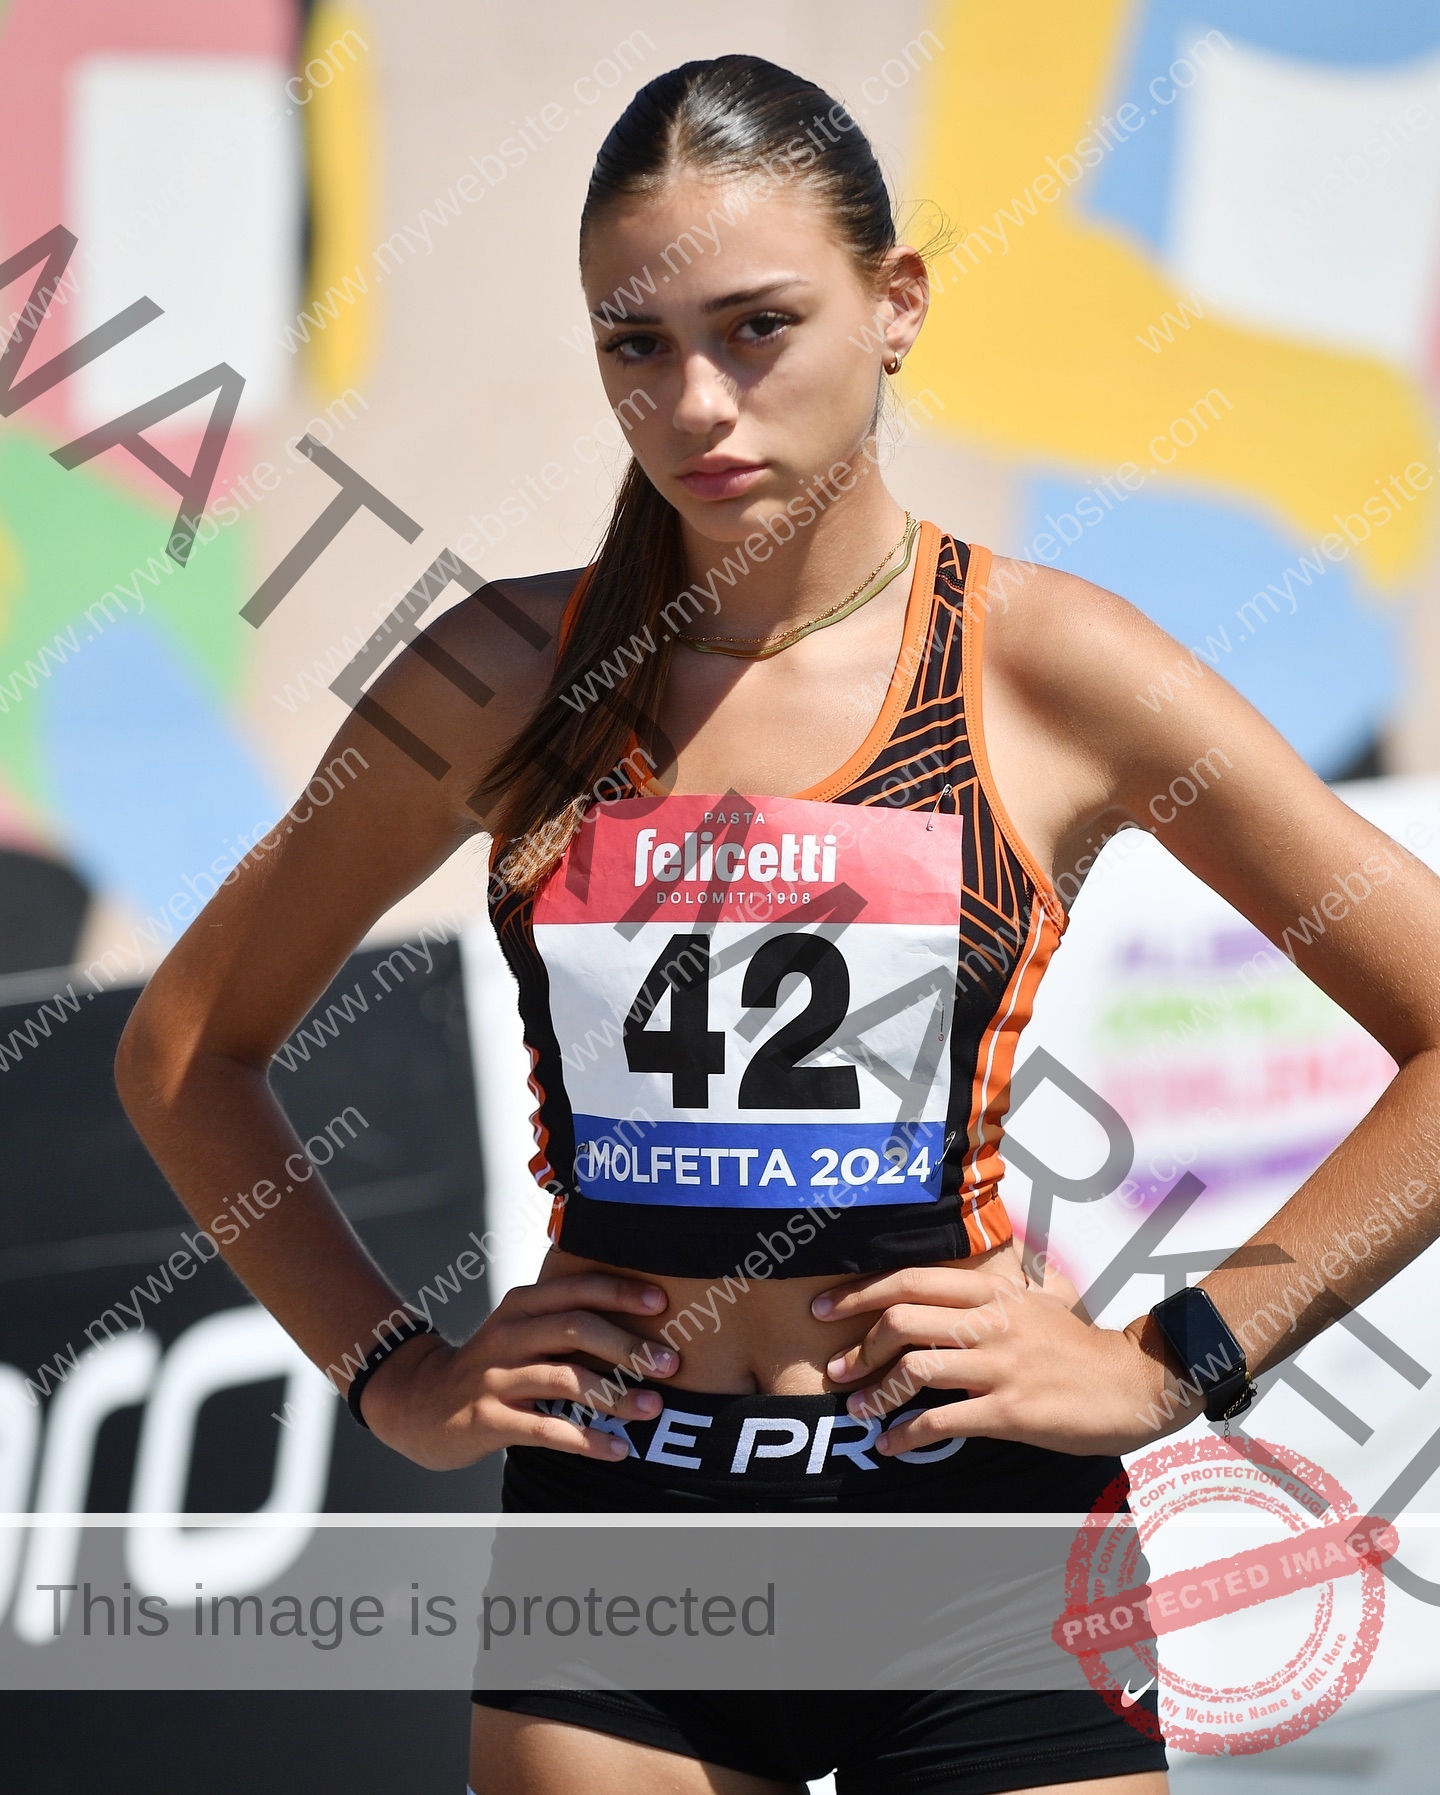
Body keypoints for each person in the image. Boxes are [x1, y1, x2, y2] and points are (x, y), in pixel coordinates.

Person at [117, 53, 1440, 1795]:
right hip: (624, 1541)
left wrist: (1174, 1361)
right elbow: (184, 1053)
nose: (696, 407)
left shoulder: (1047, 668)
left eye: (758, 328)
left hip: (978, 1536)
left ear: (896, 306)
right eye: (637, 346)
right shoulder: (501, 679)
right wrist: (394, 1377)